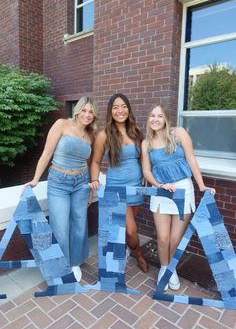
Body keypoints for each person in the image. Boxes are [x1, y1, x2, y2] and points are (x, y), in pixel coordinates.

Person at [141, 104, 215, 290]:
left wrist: (202, 186)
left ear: (166, 118)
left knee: (175, 239)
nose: (155, 119)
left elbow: (191, 159)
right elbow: (146, 171)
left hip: (184, 189)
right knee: (163, 238)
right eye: (152, 116)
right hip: (162, 192)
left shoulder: (179, 133)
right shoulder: (146, 143)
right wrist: (159, 185)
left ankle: (171, 268)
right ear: (148, 119)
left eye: (159, 116)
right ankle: (164, 268)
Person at [25, 96, 99, 282]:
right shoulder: (62, 124)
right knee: (59, 225)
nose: (87, 115)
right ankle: (61, 265)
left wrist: (90, 188)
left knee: (79, 224)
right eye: (84, 110)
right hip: (58, 181)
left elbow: (89, 163)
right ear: (77, 110)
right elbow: (47, 153)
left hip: (81, 182)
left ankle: (75, 262)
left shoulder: (90, 136)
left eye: (91, 112)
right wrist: (35, 179)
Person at [90, 93, 148, 272]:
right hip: (117, 189)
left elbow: (142, 158)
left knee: (127, 227)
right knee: (131, 230)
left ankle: (125, 250)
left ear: (128, 109)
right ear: (110, 111)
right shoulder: (104, 135)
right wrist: (94, 179)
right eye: (115, 107)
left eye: (123, 106)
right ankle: (138, 254)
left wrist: (146, 177)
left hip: (136, 187)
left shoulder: (136, 131)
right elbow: (95, 161)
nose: (120, 110)